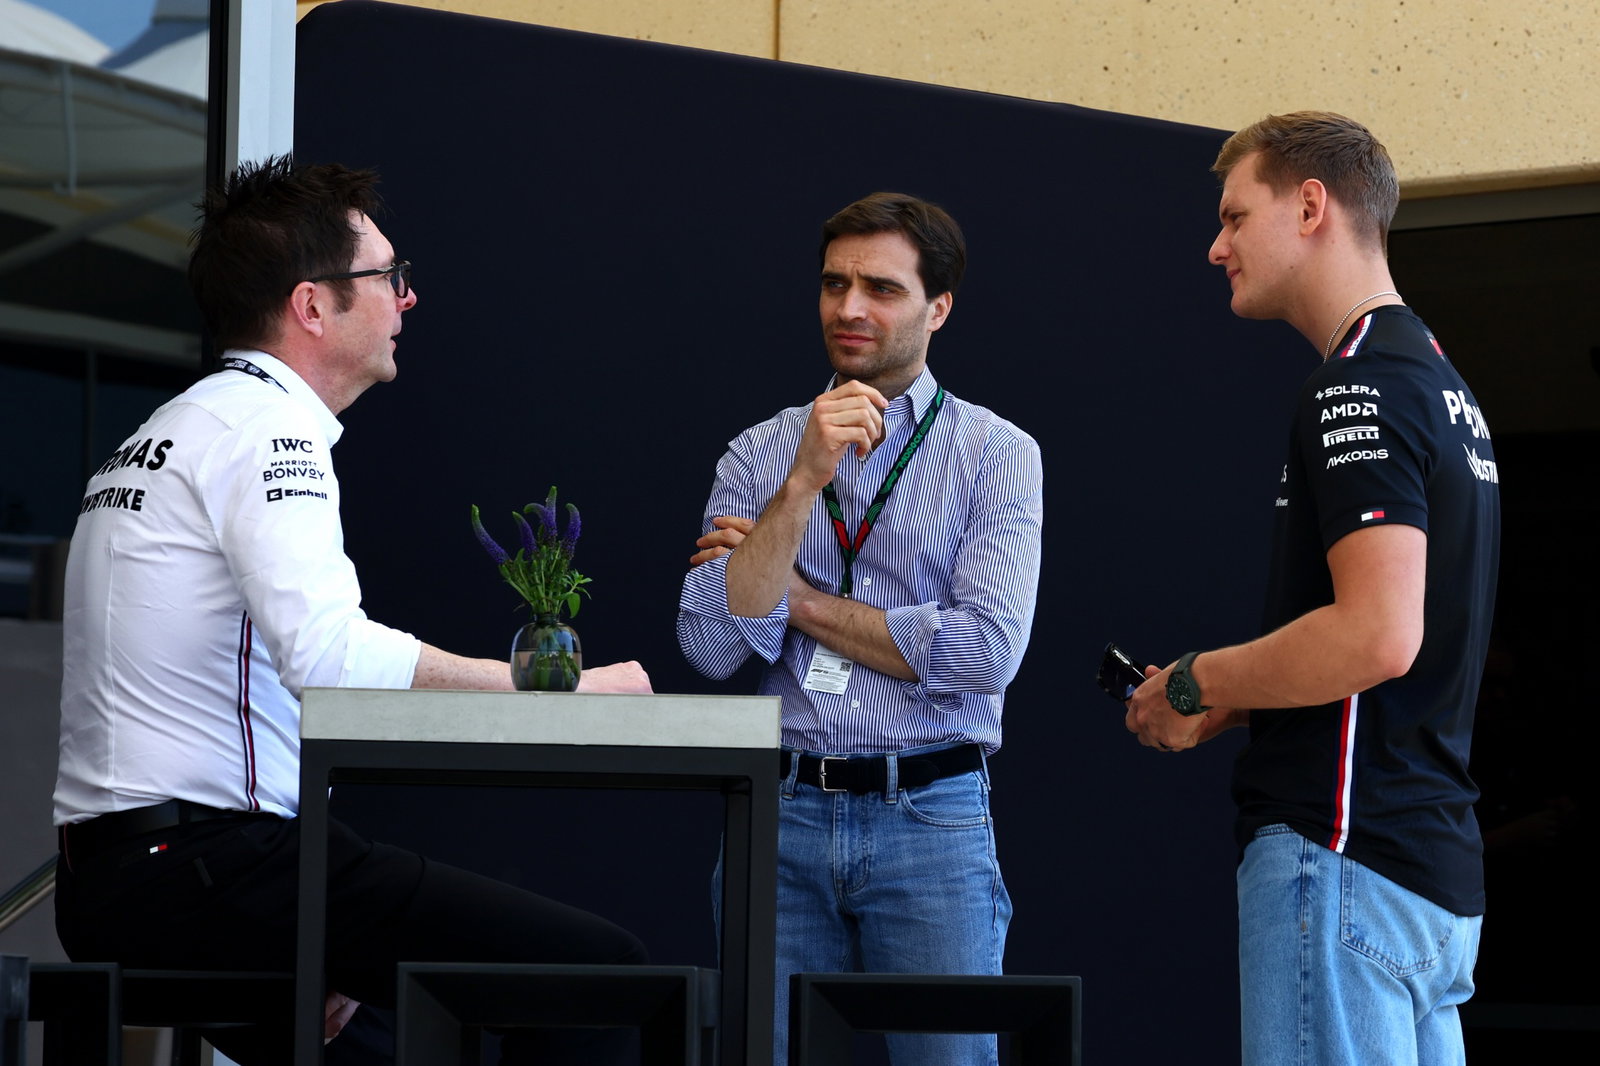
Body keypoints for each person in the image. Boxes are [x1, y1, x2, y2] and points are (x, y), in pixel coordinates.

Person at [53, 157, 651, 1065]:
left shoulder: (170, 429)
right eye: (389, 277)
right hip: (211, 868)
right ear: (312, 307)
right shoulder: (269, 430)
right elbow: (328, 657)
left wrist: (321, 932)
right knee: (607, 976)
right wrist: (551, 689)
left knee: (392, 1041)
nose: (408, 300)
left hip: (126, 878)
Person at [1124, 112, 1499, 1065]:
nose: (1216, 248)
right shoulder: (1445, 388)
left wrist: (1192, 683)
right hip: (1428, 880)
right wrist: (1240, 703)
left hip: (1344, 862)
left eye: (1234, 217)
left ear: (1310, 205)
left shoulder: (1355, 387)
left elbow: (1379, 637)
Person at [677, 192, 1043, 1066]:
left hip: (932, 814)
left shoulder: (997, 455)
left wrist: (794, 599)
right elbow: (711, 644)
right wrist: (800, 483)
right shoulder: (760, 452)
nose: (849, 308)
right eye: (835, 283)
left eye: (880, 287)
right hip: (781, 812)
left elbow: (982, 653)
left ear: (938, 308)